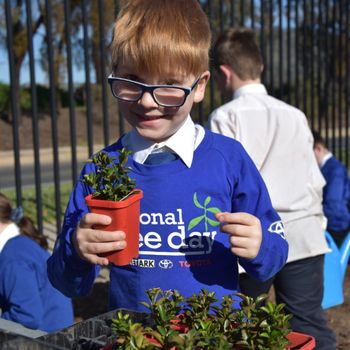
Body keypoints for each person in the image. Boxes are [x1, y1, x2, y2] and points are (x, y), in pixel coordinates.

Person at [47, 0, 288, 314]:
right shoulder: (101, 170)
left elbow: (273, 252)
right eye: (131, 81)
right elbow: (67, 283)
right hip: (133, 339)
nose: (147, 101)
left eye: (170, 85)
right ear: (114, 75)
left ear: (199, 85)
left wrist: (260, 246)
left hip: (211, 338)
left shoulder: (228, 159)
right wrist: (77, 250)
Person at [208, 28, 336, 349]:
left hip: (252, 239)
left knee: (245, 327)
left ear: (224, 72)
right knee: (307, 323)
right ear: (259, 67)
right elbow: (314, 180)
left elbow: (220, 187)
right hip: (303, 234)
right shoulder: (295, 115)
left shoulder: (224, 118)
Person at [0, 193, 74, 333]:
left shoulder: (13, 257)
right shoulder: (18, 242)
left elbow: (26, 316)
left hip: (45, 338)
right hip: (56, 332)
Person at [312, 130, 350, 246]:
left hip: (336, 228)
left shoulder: (334, 170)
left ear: (318, 149)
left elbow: (334, 207)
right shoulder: (329, 169)